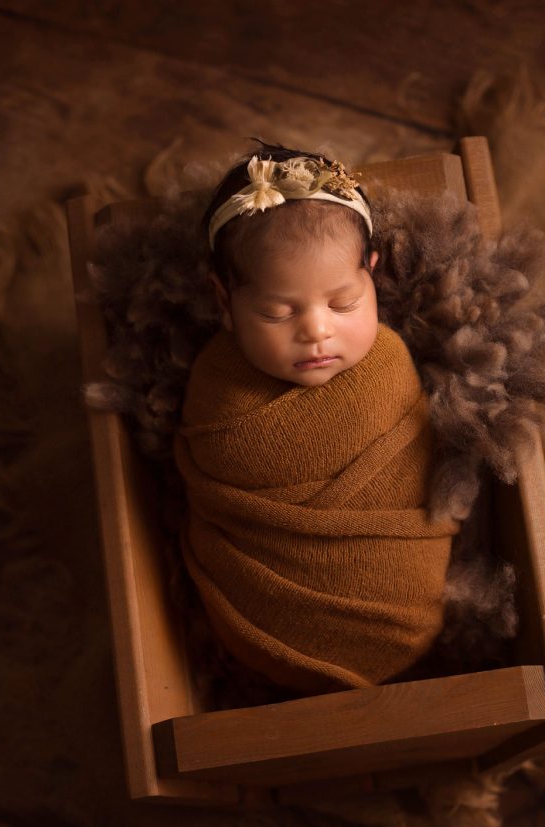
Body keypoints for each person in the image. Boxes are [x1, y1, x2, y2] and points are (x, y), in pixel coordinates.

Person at [172, 141, 461, 696]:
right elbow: (219, 490)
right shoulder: (217, 392)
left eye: (344, 302)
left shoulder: (389, 363)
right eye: (277, 312)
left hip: (406, 602)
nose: (316, 331)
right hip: (266, 627)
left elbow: (428, 469)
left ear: (371, 275)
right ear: (224, 302)